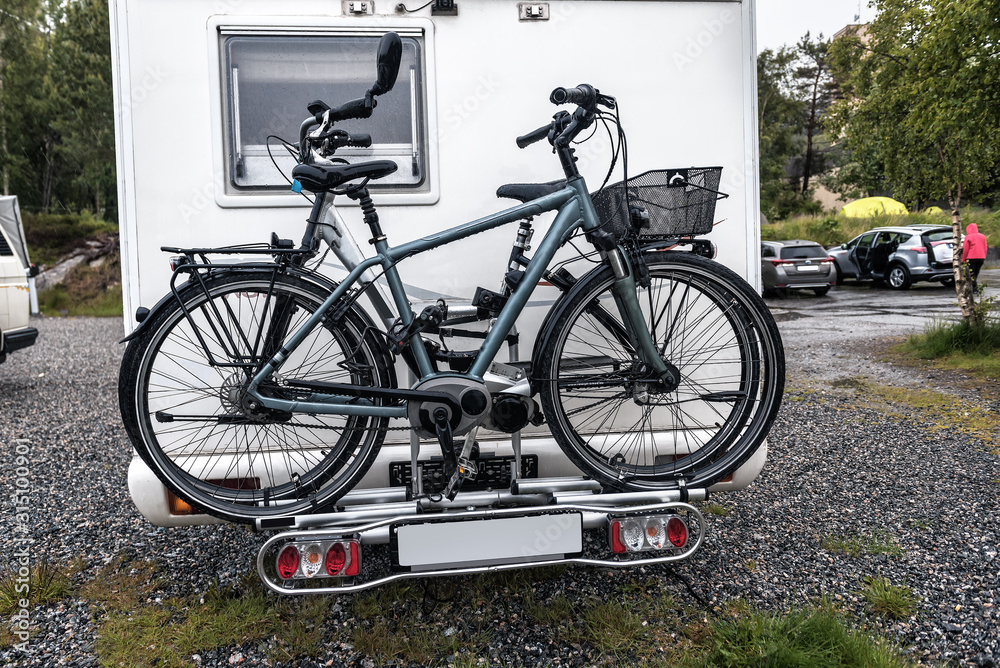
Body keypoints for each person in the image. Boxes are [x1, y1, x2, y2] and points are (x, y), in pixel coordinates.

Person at [962, 223, 987, 291]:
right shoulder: (982, 236)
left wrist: (963, 259)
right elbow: (985, 247)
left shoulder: (968, 237)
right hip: (981, 258)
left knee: (971, 274)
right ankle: (974, 288)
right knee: (976, 273)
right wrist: (984, 257)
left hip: (971, 258)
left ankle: (974, 289)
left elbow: (965, 249)